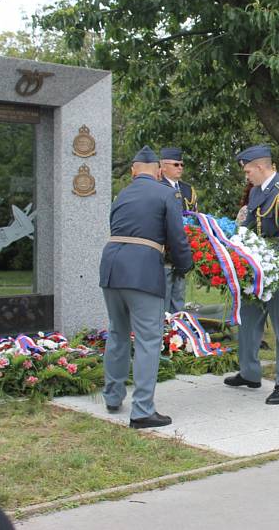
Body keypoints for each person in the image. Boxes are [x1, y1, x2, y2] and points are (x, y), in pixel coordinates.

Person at [99, 146, 192, 428]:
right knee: (148, 339)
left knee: (117, 333)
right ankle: (141, 411)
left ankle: (113, 396)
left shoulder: (122, 194)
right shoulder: (167, 193)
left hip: (111, 268)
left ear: (133, 171)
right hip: (142, 271)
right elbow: (176, 236)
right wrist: (185, 264)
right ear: (159, 172)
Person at [223, 145, 279, 405]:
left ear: (261, 167)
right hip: (257, 268)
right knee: (248, 321)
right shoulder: (259, 192)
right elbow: (247, 228)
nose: (246, 175)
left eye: (248, 170)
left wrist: (265, 264)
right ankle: (249, 373)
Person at [159, 146, 197, 314]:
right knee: (163, 298)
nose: (180, 167)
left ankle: (179, 334)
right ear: (163, 166)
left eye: (182, 164)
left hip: (181, 250)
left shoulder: (188, 190)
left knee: (179, 296)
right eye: (176, 164)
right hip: (163, 251)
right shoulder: (157, 186)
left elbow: (195, 218)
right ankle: (164, 334)